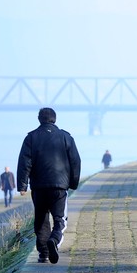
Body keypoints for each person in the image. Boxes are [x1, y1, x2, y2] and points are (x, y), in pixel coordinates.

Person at [16, 107, 81, 264]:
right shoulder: (66, 137)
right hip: (59, 187)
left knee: (41, 219)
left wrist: (22, 186)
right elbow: (75, 161)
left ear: (39, 119)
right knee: (60, 220)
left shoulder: (31, 138)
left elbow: (25, 162)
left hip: (39, 187)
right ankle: (55, 239)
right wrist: (73, 183)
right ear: (54, 119)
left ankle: (44, 254)